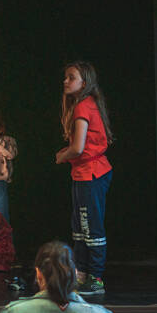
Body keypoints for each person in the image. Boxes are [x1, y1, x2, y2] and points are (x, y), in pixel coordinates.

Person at [55, 61, 114, 296]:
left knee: (90, 227)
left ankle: (95, 278)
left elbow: (78, 148)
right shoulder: (85, 105)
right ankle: (81, 273)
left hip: (92, 173)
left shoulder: (83, 108)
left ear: (84, 83)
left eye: (71, 77)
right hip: (84, 173)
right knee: (80, 227)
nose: (66, 81)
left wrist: (62, 155)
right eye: (66, 77)